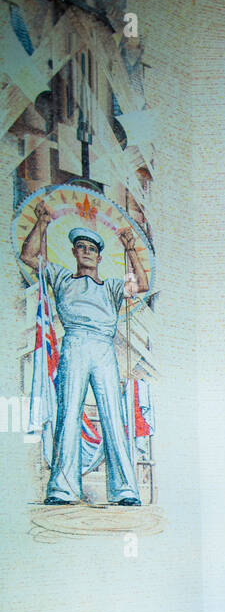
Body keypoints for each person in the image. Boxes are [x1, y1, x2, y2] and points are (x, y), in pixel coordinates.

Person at [19, 201, 147, 505]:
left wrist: (130, 249)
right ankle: (63, 489)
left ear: (100, 256)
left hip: (103, 347)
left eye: (92, 248)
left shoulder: (112, 287)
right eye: (81, 246)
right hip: (74, 344)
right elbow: (28, 256)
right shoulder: (62, 278)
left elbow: (140, 284)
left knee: (113, 416)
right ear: (75, 252)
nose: (87, 251)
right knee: (68, 415)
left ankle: (125, 491)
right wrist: (42, 224)